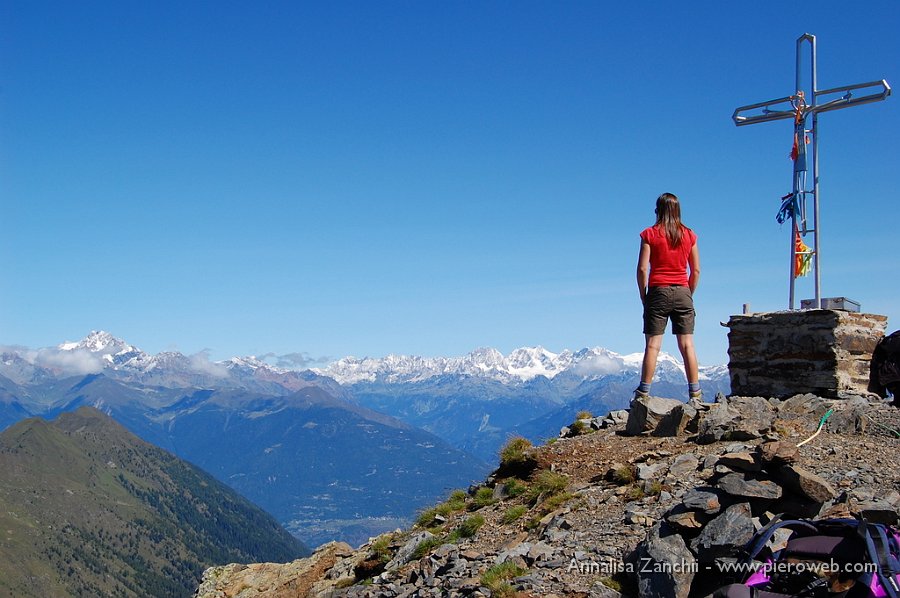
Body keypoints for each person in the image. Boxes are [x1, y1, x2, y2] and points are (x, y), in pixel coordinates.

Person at [634, 192, 701, 401]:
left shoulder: (649, 234)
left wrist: (643, 294)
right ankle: (696, 393)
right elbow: (696, 270)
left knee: (653, 344)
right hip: (683, 290)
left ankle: (644, 392)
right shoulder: (689, 235)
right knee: (687, 344)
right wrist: (688, 292)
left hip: (657, 291)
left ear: (658, 210)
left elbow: (643, 269)